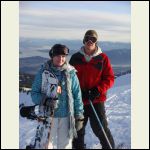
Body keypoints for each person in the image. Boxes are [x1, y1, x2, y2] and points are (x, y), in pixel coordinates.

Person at [31, 44, 84, 149]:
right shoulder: (43, 72)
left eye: (63, 56)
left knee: (65, 146)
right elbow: (34, 93)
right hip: (48, 116)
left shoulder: (71, 73)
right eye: (58, 56)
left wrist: (79, 116)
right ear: (52, 56)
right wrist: (46, 100)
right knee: (46, 145)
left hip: (66, 116)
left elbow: (77, 95)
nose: (61, 59)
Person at [69, 30, 115, 149]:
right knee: (78, 129)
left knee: (100, 128)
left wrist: (97, 90)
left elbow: (109, 78)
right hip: (80, 100)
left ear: (96, 42)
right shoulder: (75, 58)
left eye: (93, 39)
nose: (90, 41)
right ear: (84, 40)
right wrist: (78, 92)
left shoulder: (102, 58)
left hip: (96, 99)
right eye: (88, 38)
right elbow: (69, 78)